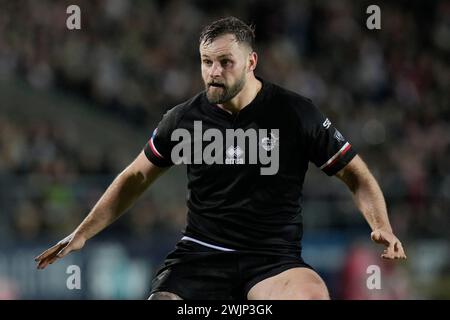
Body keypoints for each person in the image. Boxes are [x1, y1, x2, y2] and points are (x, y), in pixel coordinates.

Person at [35, 17, 407, 300]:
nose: (213, 73)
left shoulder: (295, 114)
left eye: (225, 62)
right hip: (200, 256)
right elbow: (136, 177)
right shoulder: (183, 119)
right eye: (206, 62)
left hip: (273, 261)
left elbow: (356, 176)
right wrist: (82, 234)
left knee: (312, 296)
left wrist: (382, 225)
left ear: (251, 61)